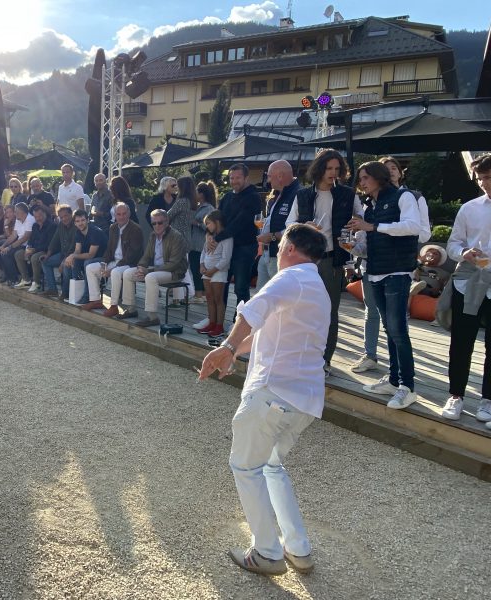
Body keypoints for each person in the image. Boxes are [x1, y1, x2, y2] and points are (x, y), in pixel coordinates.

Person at [198, 223, 329, 577]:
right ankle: (298, 548)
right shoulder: (315, 285)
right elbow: (263, 333)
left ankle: (268, 552)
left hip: (274, 393)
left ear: (287, 248)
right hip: (303, 400)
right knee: (271, 466)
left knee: (245, 467)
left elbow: (253, 310)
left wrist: (225, 348)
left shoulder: (291, 278)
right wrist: (234, 353)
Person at [347, 161, 419, 410]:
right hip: (375, 272)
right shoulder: (369, 207)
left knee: (398, 329)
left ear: (379, 177)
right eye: (360, 178)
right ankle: (393, 380)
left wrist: (373, 226)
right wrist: (351, 248)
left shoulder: (403, 196)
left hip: (398, 271)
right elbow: (369, 246)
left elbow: (413, 227)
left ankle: (408, 387)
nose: (362, 182)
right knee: (389, 328)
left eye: (366, 177)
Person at [287, 149, 363, 375]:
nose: (333, 173)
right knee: (302, 311)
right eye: (329, 168)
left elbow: (362, 221)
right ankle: (302, 356)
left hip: (332, 260)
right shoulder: (303, 195)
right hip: (305, 260)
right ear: (319, 169)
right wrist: (305, 226)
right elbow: (289, 225)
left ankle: (324, 360)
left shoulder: (349, 195)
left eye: (337, 169)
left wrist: (355, 227)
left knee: (329, 312)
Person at [439, 153, 491, 425]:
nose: (484, 183)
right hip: (469, 279)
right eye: (481, 177)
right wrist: (464, 252)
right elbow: (452, 245)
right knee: (461, 342)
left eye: (489, 177)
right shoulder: (470, 208)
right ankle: (456, 395)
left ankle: (488, 400)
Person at [120, 209, 188, 327]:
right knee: (127, 273)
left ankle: (152, 317)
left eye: (160, 222)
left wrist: (148, 271)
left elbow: (174, 264)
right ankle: (131, 309)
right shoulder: (153, 235)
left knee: (150, 277)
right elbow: (146, 256)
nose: (156, 226)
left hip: (174, 272)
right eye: (154, 223)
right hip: (157, 270)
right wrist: (141, 268)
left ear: (166, 222)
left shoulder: (176, 237)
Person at [214, 163, 262, 316]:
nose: (234, 181)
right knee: (221, 284)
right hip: (225, 247)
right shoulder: (227, 196)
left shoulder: (253, 197)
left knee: (241, 288)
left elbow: (240, 223)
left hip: (244, 248)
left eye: (238, 178)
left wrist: (217, 238)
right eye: (231, 177)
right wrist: (210, 234)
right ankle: (217, 321)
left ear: (246, 178)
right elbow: (217, 218)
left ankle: (240, 322)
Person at [82, 202, 144, 314]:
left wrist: (111, 269)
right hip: (114, 261)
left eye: (124, 214)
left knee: (115, 272)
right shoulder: (113, 227)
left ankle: (114, 305)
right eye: (118, 214)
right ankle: (96, 300)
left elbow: (132, 255)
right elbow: (109, 250)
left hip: (129, 264)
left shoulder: (136, 229)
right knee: (90, 268)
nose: (121, 217)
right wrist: (104, 264)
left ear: (129, 214)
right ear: (115, 215)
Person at [256, 160, 299, 292]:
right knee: (260, 297)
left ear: (280, 176)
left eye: (269, 176)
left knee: (277, 298)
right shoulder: (278, 193)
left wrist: (272, 236)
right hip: (267, 254)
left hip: (282, 256)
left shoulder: (298, 194)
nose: (268, 181)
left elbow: (298, 227)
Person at [197, 211, 232, 337]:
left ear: (217, 223)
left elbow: (225, 259)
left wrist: (213, 270)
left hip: (218, 273)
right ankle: (211, 323)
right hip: (207, 272)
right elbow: (203, 252)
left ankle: (219, 326)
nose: (207, 226)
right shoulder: (209, 237)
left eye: (208, 223)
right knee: (209, 298)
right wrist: (202, 265)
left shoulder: (227, 238)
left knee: (218, 299)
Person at [63, 209, 107, 303]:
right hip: (90, 258)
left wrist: (73, 256)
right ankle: (71, 293)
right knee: (71, 263)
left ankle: (87, 296)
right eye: (77, 221)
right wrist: (72, 257)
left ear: (87, 220)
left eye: (83, 220)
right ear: (74, 223)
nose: (80, 223)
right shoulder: (78, 232)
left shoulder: (95, 232)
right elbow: (78, 250)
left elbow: (91, 255)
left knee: (87, 263)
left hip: (104, 259)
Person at [17, 205, 56, 292]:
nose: (38, 218)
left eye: (40, 215)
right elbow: (31, 240)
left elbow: (50, 244)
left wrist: (34, 250)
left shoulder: (52, 226)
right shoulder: (35, 226)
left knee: (35, 258)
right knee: (18, 254)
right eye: (36, 216)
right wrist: (28, 248)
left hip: (46, 251)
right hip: (34, 249)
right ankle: (26, 279)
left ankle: (36, 283)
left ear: (45, 214)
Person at [41, 205, 77, 298]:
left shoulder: (76, 225)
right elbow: (54, 240)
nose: (64, 219)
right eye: (61, 217)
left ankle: (65, 293)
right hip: (63, 254)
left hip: (74, 255)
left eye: (66, 216)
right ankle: (52, 289)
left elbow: (73, 247)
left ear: (71, 214)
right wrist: (48, 255)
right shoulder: (61, 225)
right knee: (45, 262)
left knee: (66, 266)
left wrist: (63, 262)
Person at [0, 202, 35, 287]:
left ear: (23, 212)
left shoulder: (30, 219)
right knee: (0, 252)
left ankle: (14, 279)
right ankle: (9, 277)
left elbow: (25, 237)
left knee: (6, 254)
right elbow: (13, 235)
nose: (15, 213)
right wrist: (3, 246)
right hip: (20, 243)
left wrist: (10, 247)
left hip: (27, 245)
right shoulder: (19, 219)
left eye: (16, 211)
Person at [190, 181, 216, 303]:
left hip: (201, 245)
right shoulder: (198, 206)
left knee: (197, 270)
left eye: (196, 192)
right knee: (196, 269)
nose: (194, 194)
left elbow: (212, 227)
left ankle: (199, 295)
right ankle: (203, 295)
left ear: (202, 194)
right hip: (194, 243)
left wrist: (197, 223)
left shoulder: (209, 208)